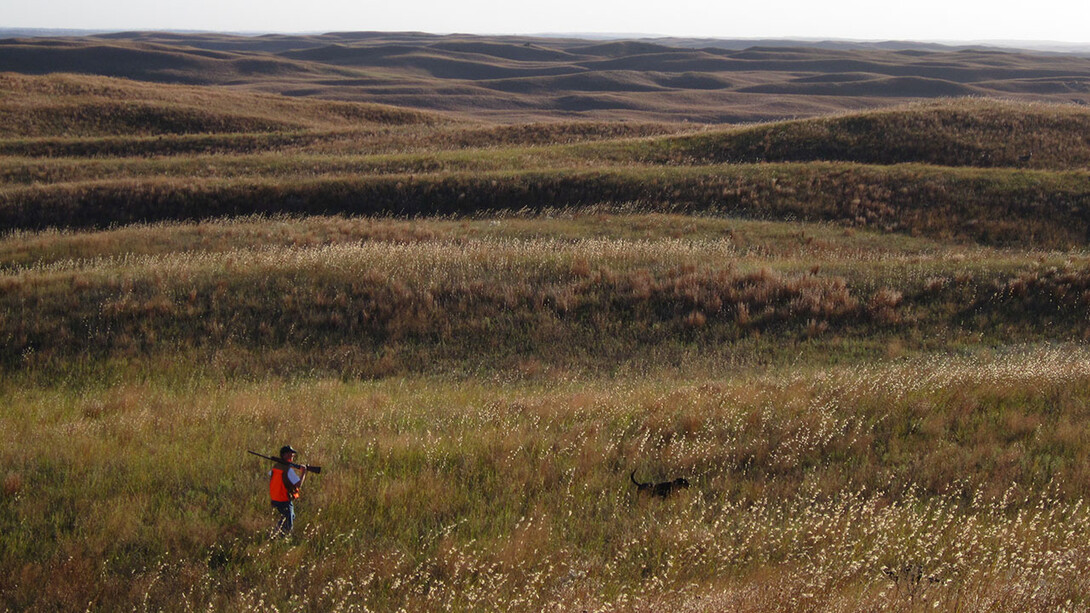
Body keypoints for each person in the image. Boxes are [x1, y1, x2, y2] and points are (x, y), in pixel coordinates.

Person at [269, 445, 307, 536]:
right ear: (285, 455)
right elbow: (298, 484)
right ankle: (280, 538)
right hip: (284, 499)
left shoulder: (275, 467)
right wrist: (304, 473)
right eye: (291, 454)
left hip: (275, 498)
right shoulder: (288, 470)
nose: (293, 455)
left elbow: (273, 477)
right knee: (288, 525)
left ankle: (275, 532)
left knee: (288, 516)